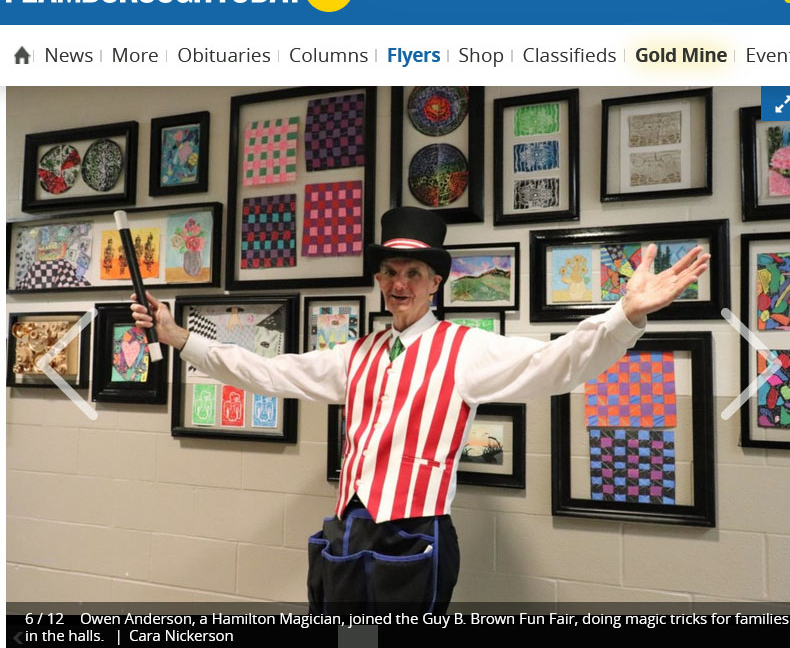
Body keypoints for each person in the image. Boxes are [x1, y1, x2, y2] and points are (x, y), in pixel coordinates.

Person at [131, 207, 709, 614]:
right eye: (389, 272)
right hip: (350, 530)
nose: (398, 283)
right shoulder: (357, 353)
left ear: (436, 281)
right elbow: (269, 372)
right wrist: (179, 337)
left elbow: (557, 364)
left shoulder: (465, 350)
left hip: (416, 538)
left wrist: (624, 318)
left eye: (413, 273)